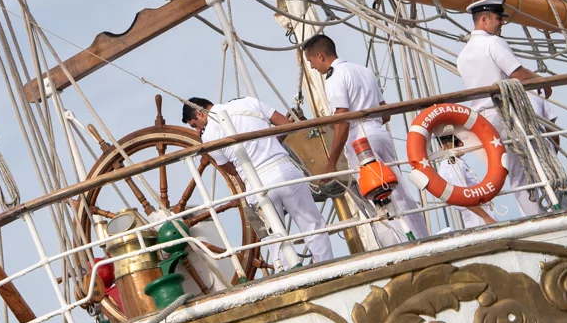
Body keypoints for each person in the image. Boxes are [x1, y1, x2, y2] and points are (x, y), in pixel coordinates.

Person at [180, 95, 335, 267]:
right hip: (284, 171)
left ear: (200, 114)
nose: (196, 131)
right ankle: (326, 264)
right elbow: (285, 124)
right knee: (312, 224)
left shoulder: (208, 136)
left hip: (256, 185)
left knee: (275, 239)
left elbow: (230, 170)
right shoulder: (248, 102)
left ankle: (290, 273)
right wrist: (269, 145)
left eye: (194, 125)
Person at [303, 34, 428, 244]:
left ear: (320, 56)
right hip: (379, 133)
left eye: (311, 61)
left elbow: (343, 122)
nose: (312, 67)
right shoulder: (363, 70)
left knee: (377, 194)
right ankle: (422, 237)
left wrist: (331, 163)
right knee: (399, 191)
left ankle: (399, 244)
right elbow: (385, 112)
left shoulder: (334, 78)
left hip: (361, 140)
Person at [455, 0, 561, 215]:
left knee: (517, 174)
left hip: (488, 123)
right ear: (484, 20)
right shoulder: (493, 42)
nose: (502, 22)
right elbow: (517, 74)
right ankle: (561, 208)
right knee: (541, 162)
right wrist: (542, 81)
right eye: (498, 18)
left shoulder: (463, 55)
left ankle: (536, 217)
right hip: (510, 115)